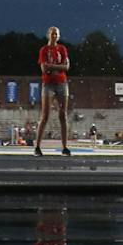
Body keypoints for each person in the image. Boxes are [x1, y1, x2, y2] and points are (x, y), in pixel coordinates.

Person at [35, 26, 71, 156]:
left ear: (59, 36)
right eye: (52, 34)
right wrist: (58, 68)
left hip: (61, 83)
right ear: (48, 35)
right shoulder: (44, 50)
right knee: (45, 115)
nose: (54, 36)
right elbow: (44, 69)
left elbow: (66, 67)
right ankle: (37, 147)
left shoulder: (62, 49)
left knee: (63, 114)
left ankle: (65, 147)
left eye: (56, 34)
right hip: (48, 84)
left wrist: (52, 67)